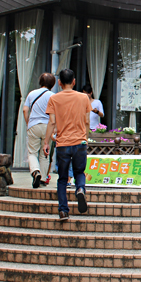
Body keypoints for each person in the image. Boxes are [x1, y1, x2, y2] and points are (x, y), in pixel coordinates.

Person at [43, 69, 92, 221]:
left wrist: (46, 142)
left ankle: (63, 211)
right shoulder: (84, 98)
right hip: (80, 142)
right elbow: (87, 121)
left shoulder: (54, 99)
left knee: (62, 179)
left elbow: (51, 122)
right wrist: (86, 139)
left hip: (62, 144)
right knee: (79, 172)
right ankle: (80, 189)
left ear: (59, 83)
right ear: (74, 81)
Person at [22, 73, 55, 189]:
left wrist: (28, 123)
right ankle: (42, 178)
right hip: (47, 126)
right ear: (53, 84)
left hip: (34, 125)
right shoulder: (53, 96)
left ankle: (36, 171)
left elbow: (25, 110)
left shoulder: (32, 94)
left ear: (40, 82)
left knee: (32, 152)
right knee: (44, 153)